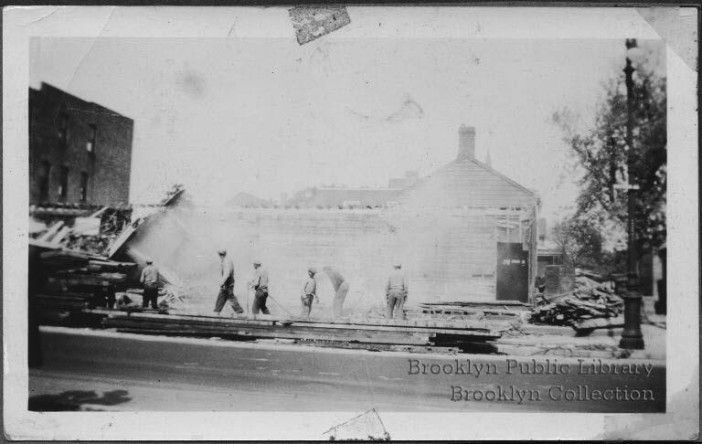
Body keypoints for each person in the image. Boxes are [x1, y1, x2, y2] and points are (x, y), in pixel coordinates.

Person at [214, 249, 244, 315]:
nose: (220, 256)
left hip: (228, 282)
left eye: (220, 254)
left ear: (222, 254)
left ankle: (239, 311)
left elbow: (227, 273)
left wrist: (222, 282)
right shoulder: (225, 260)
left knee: (229, 296)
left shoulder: (226, 261)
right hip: (227, 282)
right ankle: (217, 311)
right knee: (222, 296)